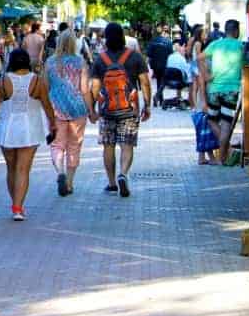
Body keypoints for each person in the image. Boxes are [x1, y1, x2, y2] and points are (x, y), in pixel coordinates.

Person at [90, 22, 151, 198]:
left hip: (107, 110)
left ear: (106, 38)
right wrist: (147, 104)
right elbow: (145, 82)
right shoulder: (135, 57)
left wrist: (93, 109)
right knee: (127, 145)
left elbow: (95, 86)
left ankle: (111, 183)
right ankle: (123, 173)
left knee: (108, 146)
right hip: (129, 109)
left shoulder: (101, 59)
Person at [0, 49, 53, 220]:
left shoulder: (2, 81)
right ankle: (18, 207)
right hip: (30, 130)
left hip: (7, 129)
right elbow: (47, 106)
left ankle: (15, 204)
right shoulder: (37, 81)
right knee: (23, 169)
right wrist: (53, 125)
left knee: (11, 168)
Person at [46, 30, 95, 197]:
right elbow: (84, 90)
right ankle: (69, 182)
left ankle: (60, 172)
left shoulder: (50, 62)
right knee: (74, 145)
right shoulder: (80, 62)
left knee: (57, 145)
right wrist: (91, 111)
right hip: (77, 109)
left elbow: (45, 88)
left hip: (56, 109)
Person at [200, 19, 244, 164]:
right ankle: (224, 154)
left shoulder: (215, 44)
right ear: (236, 31)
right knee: (226, 123)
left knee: (212, 120)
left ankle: (223, 155)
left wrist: (206, 75)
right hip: (231, 90)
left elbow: (199, 57)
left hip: (214, 89)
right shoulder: (241, 46)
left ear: (225, 31)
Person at [145, 24, 173, 108]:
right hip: (164, 64)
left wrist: (147, 65)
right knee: (163, 81)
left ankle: (160, 100)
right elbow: (171, 54)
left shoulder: (153, 41)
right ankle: (157, 96)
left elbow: (149, 54)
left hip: (155, 64)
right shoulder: (168, 42)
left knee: (159, 80)